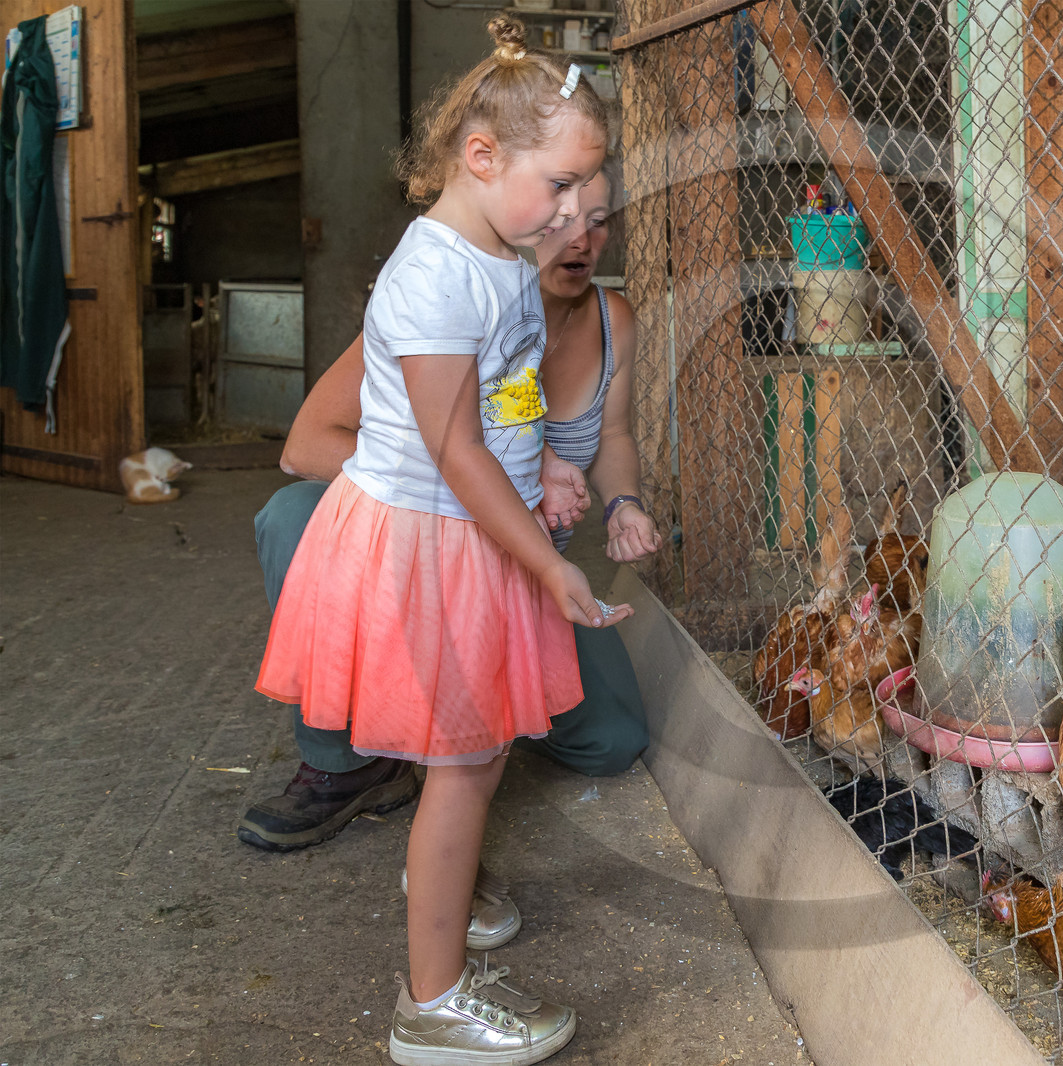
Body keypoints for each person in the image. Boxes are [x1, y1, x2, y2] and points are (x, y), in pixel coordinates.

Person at [255, 20, 630, 1063]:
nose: (574, 214)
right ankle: (432, 1004)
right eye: (560, 186)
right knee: (463, 760)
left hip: (472, 532)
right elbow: (455, 449)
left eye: (585, 191)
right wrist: (546, 560)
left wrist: (545, 467)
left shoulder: (504, 254)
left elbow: (505, 403)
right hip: (426, 542)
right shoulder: (433, 276)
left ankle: (446, 897)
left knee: (477, 752)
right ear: (481, 156)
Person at [240, 157, 657, 853]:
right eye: (561, 213)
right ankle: (348, 762)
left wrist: (622, 504)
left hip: (525, 574)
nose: (579, 239)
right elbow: (305, 444)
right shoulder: (442, 297)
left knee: (613, 740)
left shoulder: (605, 320)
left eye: (597, 220)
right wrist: (468, 495)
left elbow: (608, 435)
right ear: (517, 208)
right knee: (292, 514)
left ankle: (457, 723)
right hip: (413, 553)